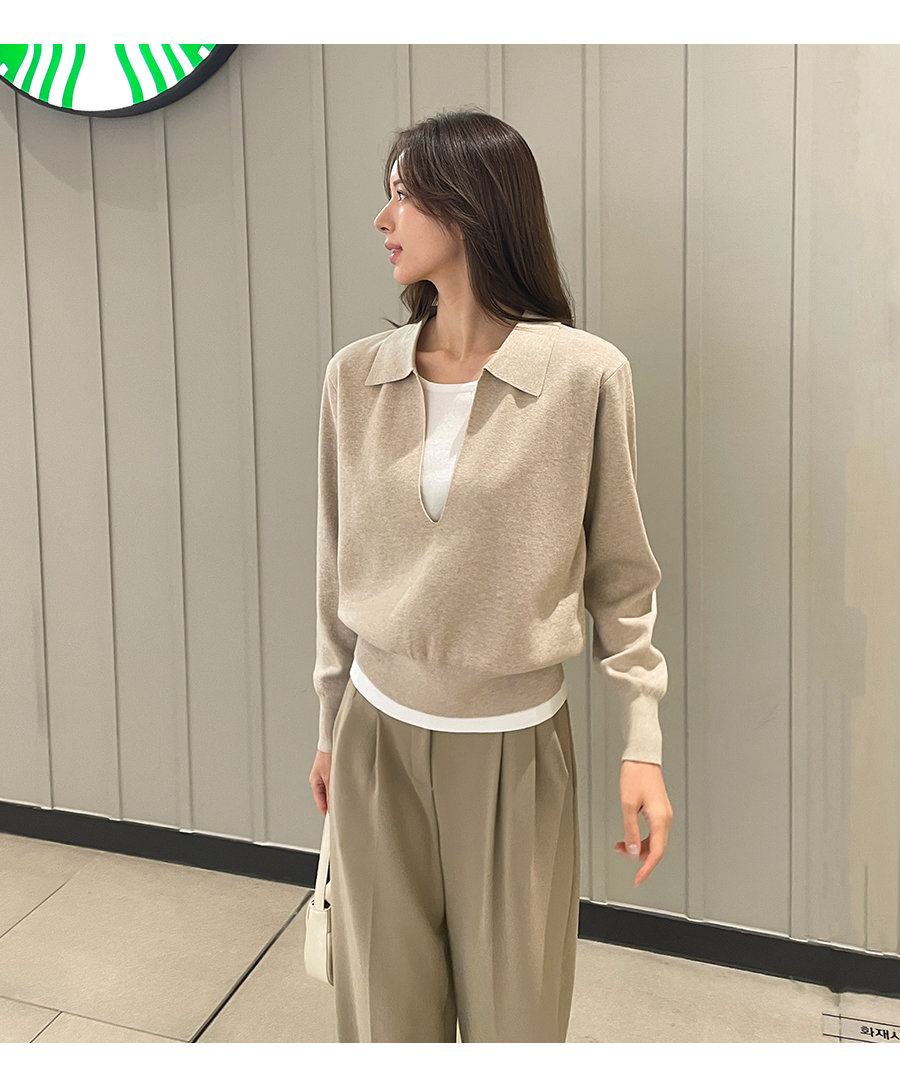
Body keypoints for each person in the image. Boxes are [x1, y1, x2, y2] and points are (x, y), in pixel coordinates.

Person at [308, 107, 673, 1043]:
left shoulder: (584, 376)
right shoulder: (355, 379)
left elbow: (621, 577)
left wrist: (642, 740)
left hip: (514, 748)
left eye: (402, 195)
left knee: (519, 1023)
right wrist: (331, 724)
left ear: (467, 204)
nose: (383, 219)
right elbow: (336, 567)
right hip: (374, 740)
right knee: (384, 1025)